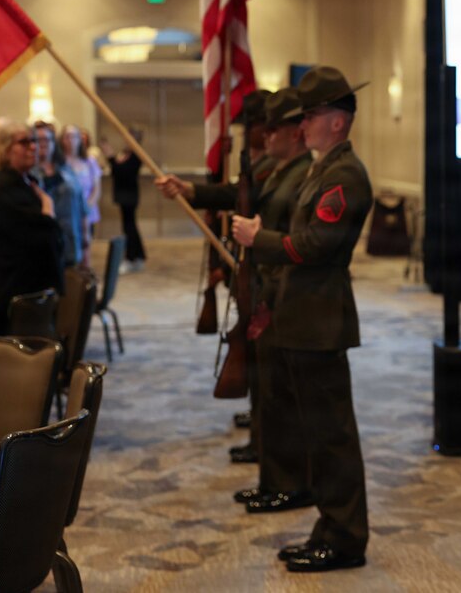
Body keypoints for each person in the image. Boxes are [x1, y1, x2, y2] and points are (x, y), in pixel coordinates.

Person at [231, 65, 371, 573]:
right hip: (301, 318)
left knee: (332, 437)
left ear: (337, 121)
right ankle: (331, 528)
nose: (302, 124)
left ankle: (344, 537)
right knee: (316, 433)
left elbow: (315, 245)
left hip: (320, 322)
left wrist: (257, 240)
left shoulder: (344, 174)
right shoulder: (320, 166)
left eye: (311, 115)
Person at [157, 89, 315, 484]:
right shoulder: (275, 167)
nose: (261, 135)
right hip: (262, 278)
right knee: (266, 380)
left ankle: (278, 466)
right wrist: (192, 191)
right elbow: (237, 194)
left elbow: (280, 223)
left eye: (267, 127)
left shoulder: (292, 170)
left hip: (279, 286)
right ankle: (267, 454)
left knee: (278, 387)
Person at [0, 118, 64, 311]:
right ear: (5, 149)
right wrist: (48, 208)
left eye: (33, 141)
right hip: (18, 289)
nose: (33, 147)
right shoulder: (5, 186)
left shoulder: (25, 181)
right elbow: (41, 235)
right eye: (24, 142)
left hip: (33, 284)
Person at [33, 122, 88, 268]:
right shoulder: (28, 173)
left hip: (72, 239)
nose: (44, 144)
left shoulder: (65, 169)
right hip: (44, 246)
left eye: (48, 139)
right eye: (39, 140)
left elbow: (80, 203)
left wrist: (85, 236)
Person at [104, 127, 146, 273]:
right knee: (130, 226)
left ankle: (132, 258)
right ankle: (138, 255)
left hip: (130, 195)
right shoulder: (126, 153)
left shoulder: (136, 155)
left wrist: (110, 157)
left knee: (130, 227)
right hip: (124, 195)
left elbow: (123, 172)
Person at [61, 124, 102, 248]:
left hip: (86, 209)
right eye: (67, 136)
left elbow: (96, 188)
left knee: (86, 244)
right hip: (66, 212)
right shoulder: (59, 162)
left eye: (74, 136)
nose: (71, 140)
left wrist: (86, 207)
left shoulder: (89, 162)